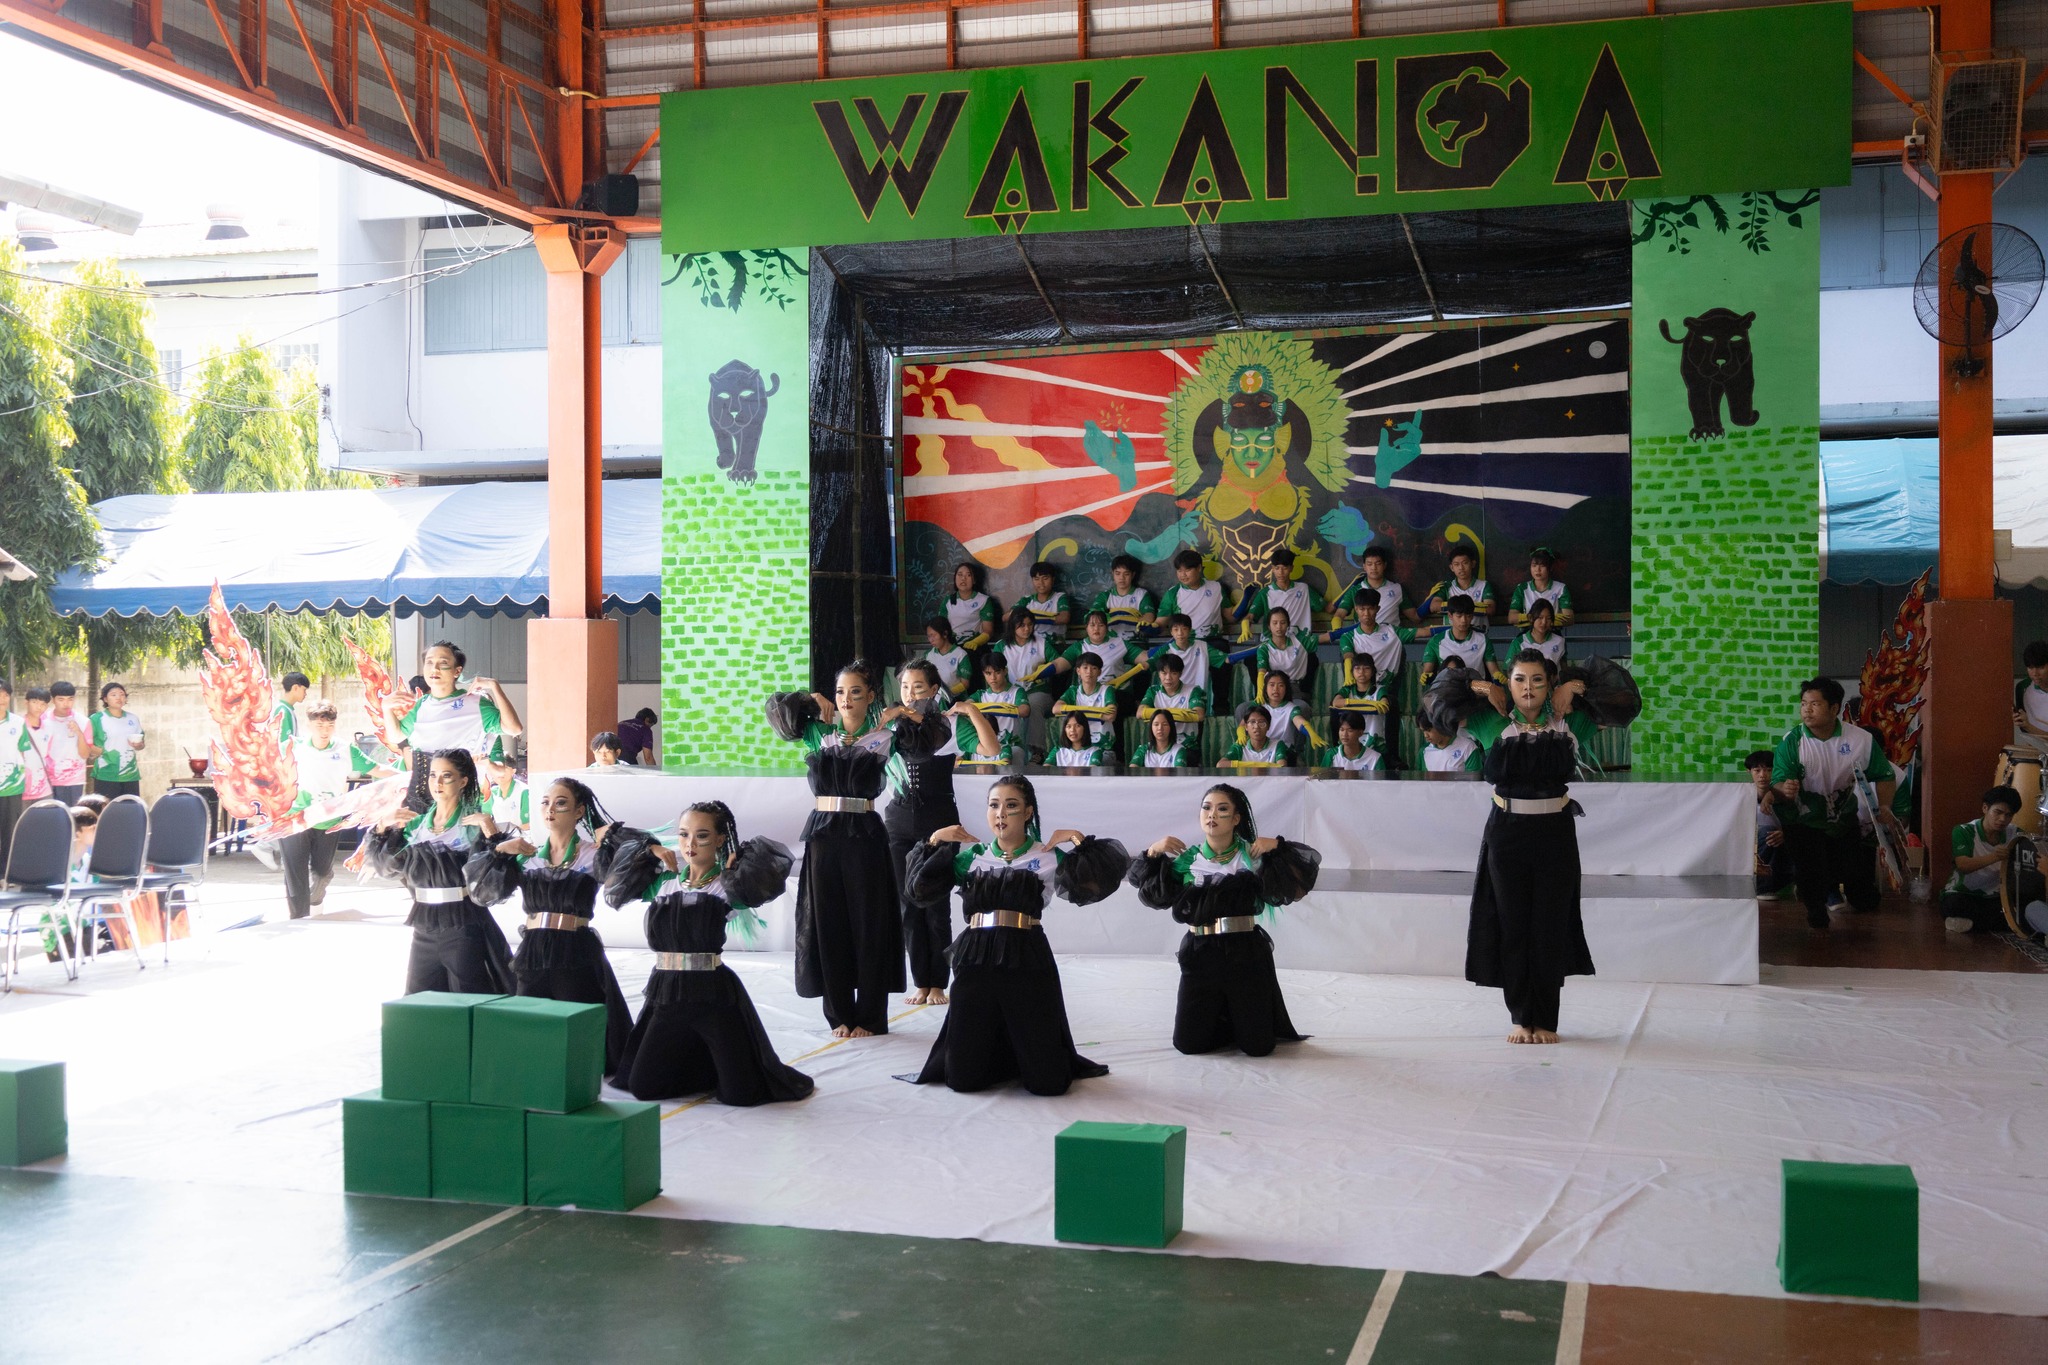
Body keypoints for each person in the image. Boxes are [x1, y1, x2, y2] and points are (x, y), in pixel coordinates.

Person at [905, 775, 1128, 1094]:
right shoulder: (972, 856)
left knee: (1048, 1085)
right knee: (962, 1081)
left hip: (1027, 958)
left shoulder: (1049, 855)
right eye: (994, 806)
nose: (1000, 814)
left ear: (1028, 813)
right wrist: (934, 841)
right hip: (976, 959)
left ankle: (1026, 1058)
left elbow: (1097, 884)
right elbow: (919, 891)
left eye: (1011, 806)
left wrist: (1079, 841)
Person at [768, 661, 948, 1037]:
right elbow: (777, 711)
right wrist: (810, 698)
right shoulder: (817, 731)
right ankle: (840, 1016)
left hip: (865, 834)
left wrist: (901, 713)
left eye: (854, 692)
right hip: (823, 834)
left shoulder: (886, 734)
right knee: (827, 922)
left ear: (870, 697)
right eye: (839, 692)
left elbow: (932, 737)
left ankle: (868, 1015)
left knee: (869, 923)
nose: (846, 699)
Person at [602, 801, 813, 1105]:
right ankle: (700, 1067)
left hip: (712, 995)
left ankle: (718, 1067)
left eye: (701, 836)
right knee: (644, 1087)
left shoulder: (730, 886)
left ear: (718, 839)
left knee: (741, 1095)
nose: (689, 844)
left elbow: (771, 867)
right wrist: (649, 847)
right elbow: (609, 844)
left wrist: (735, 863)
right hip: (667, 993)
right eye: (684, 834)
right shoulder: (662, 883)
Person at [1460, 651, 1599, 1044]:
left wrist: (1575, 687)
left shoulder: (1569, 722)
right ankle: (1522, 1017)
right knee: (1513, 924)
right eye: (1520, 679)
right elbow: (1438, 698)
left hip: (1555, 833)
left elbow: (1623, 699)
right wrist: (1484, 687)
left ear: (1549, 685)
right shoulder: (1492, 721)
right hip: (1506, 834)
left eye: (1538, 680)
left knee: (1549, 926)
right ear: (1510, 684)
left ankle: (1547, 1020)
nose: (1528, 688)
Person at [1129, 782, 1319, 1056]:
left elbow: (1299, 880)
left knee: (1258, 1048)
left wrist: (1277, 846)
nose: (1212, 815)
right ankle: (1226, 1019)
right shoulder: (1187, 860)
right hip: (1200, 954)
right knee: (1188, 1045)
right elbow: (1154, 895)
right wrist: (1153, 851)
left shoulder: (1252, 856)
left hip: (1246, 954)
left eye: (1222, 809)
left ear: (1236, 818)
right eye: (1206, 808)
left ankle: (1243, 1021)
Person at [465, 777, 634, 1071]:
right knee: (525, 1025)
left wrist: (612, 834)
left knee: (580, 1026)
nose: (550, 810)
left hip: (575, 951)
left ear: (579, 811)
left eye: (561, 803)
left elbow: (634, 857)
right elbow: (482, 891)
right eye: (545, 802)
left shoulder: (593, 855)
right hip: (533, 949)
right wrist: (499, 849)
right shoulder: (527, 856)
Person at [365, 749, 514, 995]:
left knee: (468, 994)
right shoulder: (415, 825)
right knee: (420, 997)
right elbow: (388, 868)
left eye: (447, 776)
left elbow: (494, 884)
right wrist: (382, 826)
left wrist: (491, 833)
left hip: (463, 922)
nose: (438, 782)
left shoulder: (473, 824)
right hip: (424, 922)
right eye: (433, 775)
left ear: (463, 781)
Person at [1771, 677, 1899, 932]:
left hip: (1842, 816)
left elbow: (1885, 775)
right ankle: (1816, 912)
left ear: (1834, 708)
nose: (1807, 709)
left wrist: (1885, 806)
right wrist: (1784, 788)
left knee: (1851, 870)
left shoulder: (1860, 740)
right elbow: (1777, 781)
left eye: (1815, 704)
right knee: (1810, 871)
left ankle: (1857, 896)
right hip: (1802, 819)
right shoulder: (1792, 741)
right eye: (1803, 703)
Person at [888, 660, 968, 1007]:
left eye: (918, 687)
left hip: (939, 819)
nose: (910, 694)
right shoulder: (893, 730)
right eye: (905, 687)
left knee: (935, 903)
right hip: (899, 822)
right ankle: (920, 981)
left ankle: (939, 982)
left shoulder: (946, 724)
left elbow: (983, 745)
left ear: (934, 690)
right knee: (908, 905)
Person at [280, 701, 372, 919]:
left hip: (328, 820)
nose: (324, 731)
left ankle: (316, 897)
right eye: (319, 726)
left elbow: (376, 769)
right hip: (295, 817)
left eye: (329, 725)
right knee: (295, 874)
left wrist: (410, 777)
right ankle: (298, 920)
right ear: (310, 725)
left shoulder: (345, 749)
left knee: (322, 872)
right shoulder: (292, 748)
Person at [388, 642, 523, 765]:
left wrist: (494, 686)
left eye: (443, 663)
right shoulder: (421, 705)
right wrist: (386, 707)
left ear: (457, 671)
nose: (434, 669)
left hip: (461, 786)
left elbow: (514, 728)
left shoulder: (476, 703)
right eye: (429, 662)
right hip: (425, 785)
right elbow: (396, 736)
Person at [1940, 786, 2022, 933]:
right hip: (1964, 894)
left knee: (2020, 910)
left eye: (2008, 815)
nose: (2003, 819)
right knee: (1953, 905)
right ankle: (1986, 924)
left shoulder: (2015, 833)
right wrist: (1995, 856)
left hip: (1995, 897)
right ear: (1985, 808)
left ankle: (1972, 925)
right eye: (1998, 812)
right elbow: (1963, 865)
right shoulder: (1963, 831)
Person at [1324, 589, 1414, 694]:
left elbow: (1424, 632)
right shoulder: (1348, 636)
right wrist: (1348, 664)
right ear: (1356, 609)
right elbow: (1347, 654)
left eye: (1370, 609)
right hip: (1358, 689)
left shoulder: (1391, 631)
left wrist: (1437, 629)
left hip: (1385, 689)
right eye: (1362, 609)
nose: (1366, 613)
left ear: (1377, 609)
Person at [998, 608, 1059, 750]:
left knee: (1032, 704)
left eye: (1030, 625)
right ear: (1013, 626)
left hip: (1038, 691)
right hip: (1011, 692)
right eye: (1022, 625)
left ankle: (1036, 749)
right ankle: (1008, 747)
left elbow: (1057, 662)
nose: (1027, 629)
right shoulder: (1002, 646)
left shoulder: (1041, 643)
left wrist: (1043, 672)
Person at [1232, 547, 1322, 639]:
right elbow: (1251, 615)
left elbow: (1322, 607)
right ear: (1272, 569)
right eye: (1277, 568)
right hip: (1272, 643)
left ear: (1291, 568)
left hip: (1301, 642)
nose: (1280, 572)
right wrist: (1245, 625)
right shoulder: (1265, 593)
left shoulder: (1304, 589)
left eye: (1285, 568)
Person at [1156, 548, 1230, 643]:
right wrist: (1147, 627)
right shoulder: (1172, 593)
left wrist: (1247, 602)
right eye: (1179, 570)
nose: (1183, 575)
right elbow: (1160, 623)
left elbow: (1230, 616)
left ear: (1199, 568)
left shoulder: (1216, 587)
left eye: (1188, 570)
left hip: (1214, 642)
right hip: (1187, 644)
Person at [1151, 612, 1229, 700]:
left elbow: (1227, 659)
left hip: (1197, 698)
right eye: (1176, 630)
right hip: (1171, 699)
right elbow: (1148, 663)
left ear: (1190, 630)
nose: (1180, 633)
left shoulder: (1203, 647)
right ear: (1171, 632)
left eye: (1184, 629)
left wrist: (1247, 651)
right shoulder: (1164, 650)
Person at [1420, 596, 1495, 686]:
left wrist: (1498, 677)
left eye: (1468, 616)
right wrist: (1426, 677)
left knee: (1494, 693)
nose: (1464, 620)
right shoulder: (1436, 641)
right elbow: (1427, 671)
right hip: (1448, 690)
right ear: (1450, 616)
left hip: (1477, 688)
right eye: (1459, 616)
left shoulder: (1483, 640)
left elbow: (1494, 672)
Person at [1747, 750, 1793, 896]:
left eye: (1768, 770)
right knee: (1765, 832)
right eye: (1757, 770)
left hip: (1783, 851)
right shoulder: (1742, 798)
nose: (1763, 775)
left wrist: (1785, 834)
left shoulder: (1786, 797)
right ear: (1749, 772)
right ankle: (1763, 888)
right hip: (1753, 853)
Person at [1236, 670, 1316, 755]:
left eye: (1281, 685)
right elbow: (1242, 724)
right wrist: (1241, 732)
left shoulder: (1291, 708)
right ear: (1265, 688)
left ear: (1286, 689)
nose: (1275, 689)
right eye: (1272, 685)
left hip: (1284, 751)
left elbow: (1299, 721)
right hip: (1261, 748)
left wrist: (1310, 732)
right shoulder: (1258, 706)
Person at [1328, 655, 1394, 757]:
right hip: (1349, 742)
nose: (1361, 672)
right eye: (1357, 668)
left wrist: (1351, 704)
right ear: (1352, 672)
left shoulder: (1379, 689)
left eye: (1366, 668)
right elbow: (1336, 702)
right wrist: (1369, 704)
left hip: (1375, 742)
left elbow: (1384, 703)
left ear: (1372, 671)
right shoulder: (1347, 689)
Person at [1335, 545, 1415, 626]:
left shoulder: (1397, 589)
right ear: (1364, 566)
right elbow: (1339, 615)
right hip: (1363, 638)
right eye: (1369, 564)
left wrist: (1428, 602)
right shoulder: (1355, 591)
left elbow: (1415, 617)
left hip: (1391, 637)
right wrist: (1336, 631)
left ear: (1384, 565)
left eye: (1378, 563)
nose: (1374, 568)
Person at [89, 683, 145, 798]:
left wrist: (138, 745)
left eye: (122, 695)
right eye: (113, 695)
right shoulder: (97, 719)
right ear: (105, 699)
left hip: (131, 774)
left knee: (131, 810)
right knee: (108, 812)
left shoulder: (133, 718)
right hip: (106, 774)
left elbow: (141, 744)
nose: (118, 698)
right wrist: (104, 753)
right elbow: (86, 744)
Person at [1050, 652, 1117, 747]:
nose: (1089, 672)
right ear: (1078, 671)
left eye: (1094, 668)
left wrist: (1075, 713)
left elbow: (1110, 715)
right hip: (1077, 746)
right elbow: (1056, 709)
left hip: (1102, 746)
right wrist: (1099, 713)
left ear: (1099, 672)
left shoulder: (1107, 690)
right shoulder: (1073, 690)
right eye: (1085, 668)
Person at [1136, 653, 1207, 741]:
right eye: (1164, 673)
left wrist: (1157, 714)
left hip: (1186, 744)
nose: (1168, 678)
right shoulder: (1153, 691)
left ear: (1180, 674)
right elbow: (1140, 713)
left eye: (1173, 673)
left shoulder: (1193, 690)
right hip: (1160, 743)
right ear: (1158, 674)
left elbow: (1198, 715)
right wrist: (1183, 714)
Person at [42, 681, 91, 806]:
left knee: (72, 818)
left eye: (70, 699)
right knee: (52, 818)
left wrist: (79, 733)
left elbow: (85, 754)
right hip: (47, 780)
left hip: (74, 781)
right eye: (61, 699)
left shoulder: (83, 721)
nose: (66, 704)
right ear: (53, 700)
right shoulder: (42, 721)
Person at [1091, 554, 1157, 639]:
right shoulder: (1105, 596)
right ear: (1113, 574)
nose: (1121, 578)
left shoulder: (1141, 594)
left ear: (1133, 575)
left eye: (1126, 574)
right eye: (1117, 573)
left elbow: (1149, 616)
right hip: (1110, 640)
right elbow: (1094, 616)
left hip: (1134, 640)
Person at [1421, 547, 1494, 623]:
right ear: (1452, 567)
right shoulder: (1445, 586)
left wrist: (1455, 608)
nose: (1461, 568)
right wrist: (1473, 607)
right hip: (1451, 633)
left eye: (1465, 563)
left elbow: (1490, 609)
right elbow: (1434, 606)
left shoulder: (1484, 585)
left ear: (1473, 564)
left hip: (1478, 632)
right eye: (1456, 564)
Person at [1507, 548, 1574, 629]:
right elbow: (1511, 618)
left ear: (1550, 568)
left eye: (1542, 566)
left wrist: (1549, 622)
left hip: (1553, 633)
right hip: (1527, 634)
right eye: (1534, 565)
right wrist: (1537, 618)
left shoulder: (1560, 588)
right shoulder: (1522, 588)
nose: (1537, 570)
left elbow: (1569, 618)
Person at [943, 561, 1001, 650]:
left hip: (974, 648)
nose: (963, 579)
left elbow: (988, 630)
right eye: (960, 575)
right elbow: (940, 626)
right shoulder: (948, 600)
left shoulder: (983, 600)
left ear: (974, 580)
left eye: (968, 575)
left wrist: (976, 642)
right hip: (952, 648)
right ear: (955, 578)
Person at [1014, 561, 1073, 642]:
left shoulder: (1059, 597)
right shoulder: (1027, 600)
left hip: (1055, 643)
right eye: (1036, 579)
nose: (1041, 583)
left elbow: (1064, 618)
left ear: (1053, 579)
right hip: (1031, 644)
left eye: (1045, 578)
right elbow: (1006, 617)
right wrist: (1050, 617)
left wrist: (1031, 618)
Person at [917, 618, 976, 699]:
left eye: (933, 635)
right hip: (933, 700)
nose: (930, 640)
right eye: (929, 636)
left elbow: (965, 683)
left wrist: (947, 693)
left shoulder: (960, 655)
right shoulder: (928, 655)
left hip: (956, 700)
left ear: (945, 634)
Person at [0, 681, 25, 872]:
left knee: (11, 833)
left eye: (6, 694)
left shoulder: (18, 722)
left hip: (12, 787)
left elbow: (23, 752)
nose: (2, 698)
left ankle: (6, 874)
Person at [1224, 705, 1293, 770]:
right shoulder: (1240, 746)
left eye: (1262, 722)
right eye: (1252, 722)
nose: (1257, 727)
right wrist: (1257, 765)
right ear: (1246, 726)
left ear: (1268, 726)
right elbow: (1221, 764)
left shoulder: (1277, 745)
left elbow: (1282, 766)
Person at [483, 747, 530, 837]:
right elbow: (485, 819)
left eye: (504, 768)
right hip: (499, 841)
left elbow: (529, 824)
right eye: (496, 768)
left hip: (520, 840)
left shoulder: (524, 791)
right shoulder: (491, 793)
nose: (500, 773)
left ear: (513, 771)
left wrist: (508, 836)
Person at [18, 687, 53, 805]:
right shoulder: (17, 725)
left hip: (44, 788)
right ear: (26, 702)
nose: (39, 707)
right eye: (34, 702)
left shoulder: (49, 728)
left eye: (43, 704)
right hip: (20, 788)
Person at [1510, 599, 1567, 669]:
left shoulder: (1560, 641)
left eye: (1548, 618)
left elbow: (1564, 669)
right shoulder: (1519, 642)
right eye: (1540, 617)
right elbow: (1508, 669)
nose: (1544, 622)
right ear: (1531, 618)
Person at [1048, 712, 1116, 769]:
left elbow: (1092, 774)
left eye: (1077, 726)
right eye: (1069, 726)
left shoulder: (1095, 751)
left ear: (1085, 728)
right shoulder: (1058, 750)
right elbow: (1045, 771)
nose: (1072, 730)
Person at [1419, 715, 1484, 773]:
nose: (1425, 735)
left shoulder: (1468, 747)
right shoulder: (1424, 751)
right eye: (1423, 731)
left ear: (1441, 726)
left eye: (1429, 730)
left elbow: (1474, 783)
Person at [2014, 640, 2048, 745]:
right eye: (2030, 668)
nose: (2035, 673)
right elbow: (2025, 729)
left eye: (2040, 667)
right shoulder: (2023, 688)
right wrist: (2022, 722)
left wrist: (2028, 726)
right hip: (2037, 748)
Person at [274, 672, 310, 748]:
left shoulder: (287, 709)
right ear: (295, 688)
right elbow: (285, 744)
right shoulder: (283, 711)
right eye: (304, 690)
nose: (305, 694)